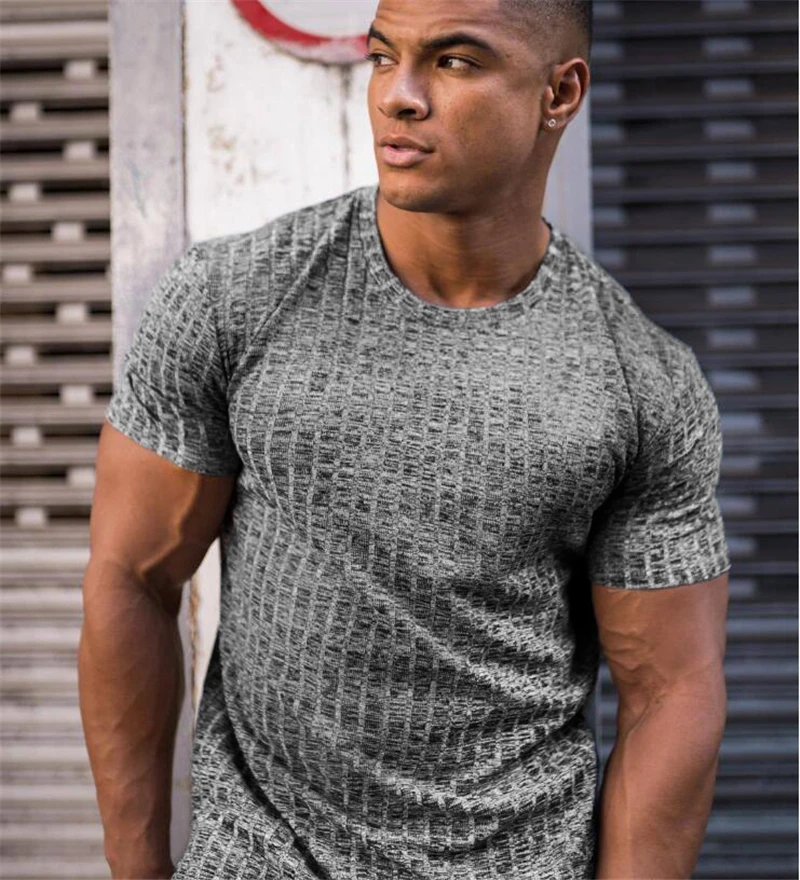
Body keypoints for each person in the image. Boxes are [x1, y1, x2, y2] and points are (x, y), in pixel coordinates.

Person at [79, 0, 732, 877]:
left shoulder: (641, 379)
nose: (398, 95)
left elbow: (671, 691)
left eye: (455, 62)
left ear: (559, 93)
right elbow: (132, 577)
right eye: (385, 56)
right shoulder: (233, 299)